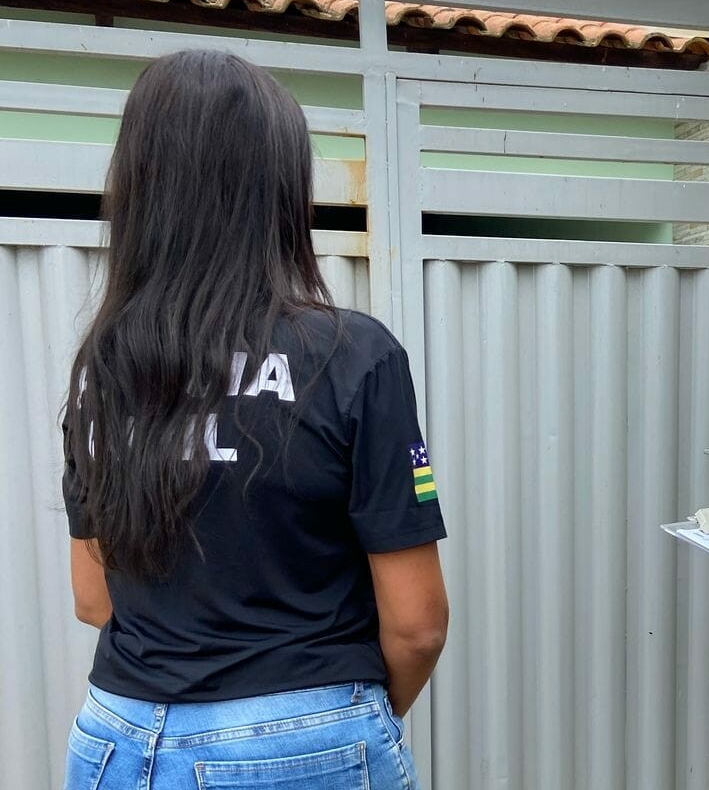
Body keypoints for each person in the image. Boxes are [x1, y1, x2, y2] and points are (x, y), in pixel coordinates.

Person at [61, 50, 449, 789]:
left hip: (113, 741)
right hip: (302, 734)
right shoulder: (352, 356)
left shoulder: (103, 367)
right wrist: (332, 732)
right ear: (280, 191)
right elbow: (417, 623)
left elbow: (94, 597)